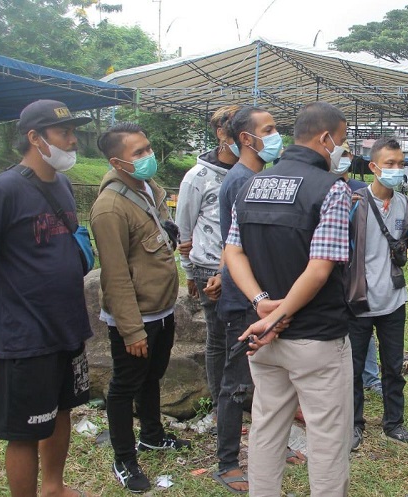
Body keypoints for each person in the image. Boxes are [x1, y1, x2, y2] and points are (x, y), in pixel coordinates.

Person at [225, 101, 353, 496]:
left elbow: (233, 251)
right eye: (343, 143)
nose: (343, 152)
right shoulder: (332, 189)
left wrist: (262, 303)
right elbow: (319, 268)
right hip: (315, 338)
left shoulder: (251, 183)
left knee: (266, 426)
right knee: (328, 437)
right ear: (325, 138)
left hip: (264, 337)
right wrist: (279, 312)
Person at [0, 100, 94, 497]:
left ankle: (54, 486)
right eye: (63, 133)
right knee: (23, 431)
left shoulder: (63, 185)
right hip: (24, 336)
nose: (72, 139)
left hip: (66, 326)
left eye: (72, 132)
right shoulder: (1, 191)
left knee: (61, 410)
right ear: (34, 137)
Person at [91, 122, 190, 493]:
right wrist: (131, 329)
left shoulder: (149, 190)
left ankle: (152, 434)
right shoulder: (110, 208)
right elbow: (114, 276)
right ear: (118, 162)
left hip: (161, 309)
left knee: (153, 375)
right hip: (135, 316)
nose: (148, 156)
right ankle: (124, 457)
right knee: (124, 386)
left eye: (148, 148)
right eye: (139, 153)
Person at [214, 104, 281, 494]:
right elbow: (237, 249)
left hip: (263, 297)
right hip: (244, 299)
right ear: (246, 139)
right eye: (269, 129)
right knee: (236, 382)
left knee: (267, 380)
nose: (276, 136)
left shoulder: (263, 176)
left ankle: (272, 444)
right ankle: (226, 462)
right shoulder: (241, 181)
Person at [346, 137, 408, 452]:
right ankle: (353, 425)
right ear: (374, 167)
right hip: (358, 301)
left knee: (393, 367)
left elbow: (406, 241)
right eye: (390, 164)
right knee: (352, 370)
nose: (396, 169)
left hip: (393, 301)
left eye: (401, 164)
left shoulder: (407, 205)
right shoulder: (354, 202)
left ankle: (394, 424)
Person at [175, 104, 240, 416]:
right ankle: (220, 404)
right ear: (222, 135)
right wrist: (189, 272)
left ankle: (241, 396)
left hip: (245, 267)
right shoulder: (197, 177)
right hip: (209, 268)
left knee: (242, 335)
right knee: (218, 338)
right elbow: (183, 232)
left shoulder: (253, 173)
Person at [340, 141, 383, 397]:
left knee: (363, 327)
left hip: (359, 271)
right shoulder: (321, 187)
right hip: (330, 270)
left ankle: (370, 377)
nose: (342, 158)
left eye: (346, 153)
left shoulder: (361, 190)